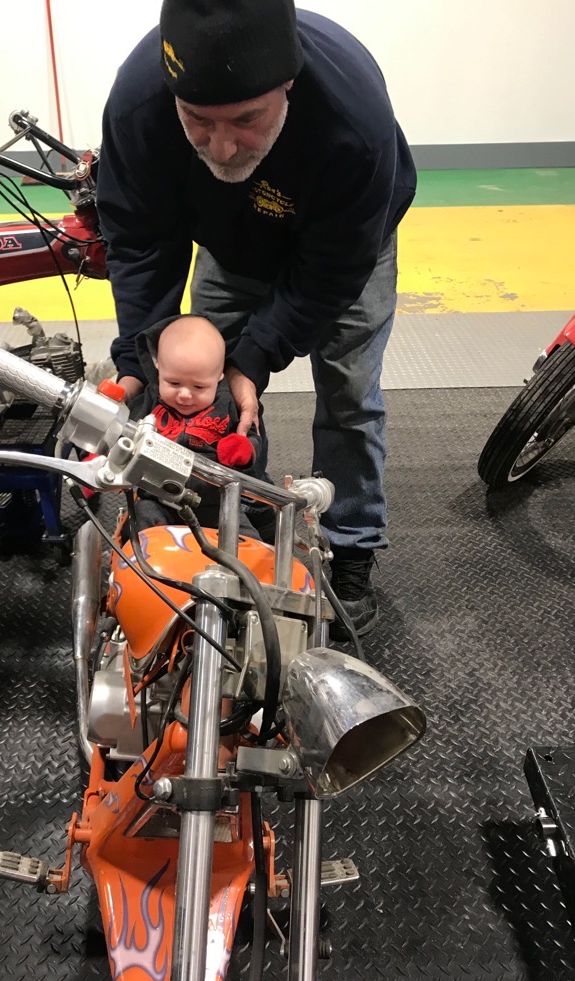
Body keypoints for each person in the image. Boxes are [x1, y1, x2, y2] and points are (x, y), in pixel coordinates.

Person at [96, 0, 417, 638]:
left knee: (349, 392)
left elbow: (330, 271)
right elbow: (139, 242)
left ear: (287, 85)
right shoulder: (139, 104)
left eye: (246, 119)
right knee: (198, 390)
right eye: (197, 121)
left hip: (344, 248)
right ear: (172, 95)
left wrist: (256, 354)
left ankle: (351, 547)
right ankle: (212, 533)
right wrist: (144, 358)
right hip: (230, 241)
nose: (221, 145)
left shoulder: (352, 123)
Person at [127, 313, 261, 537]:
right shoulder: (150, 399)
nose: (185, 395)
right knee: (141, 527)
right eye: (174, 383)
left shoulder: (227, 404)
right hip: (157, 499)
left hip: (215, 504)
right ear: (158, 366)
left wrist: (244, 450)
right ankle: (144, 570)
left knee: (250, 545)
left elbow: (252, 436)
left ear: (219, 376)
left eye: (199, 387)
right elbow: (124, 430)